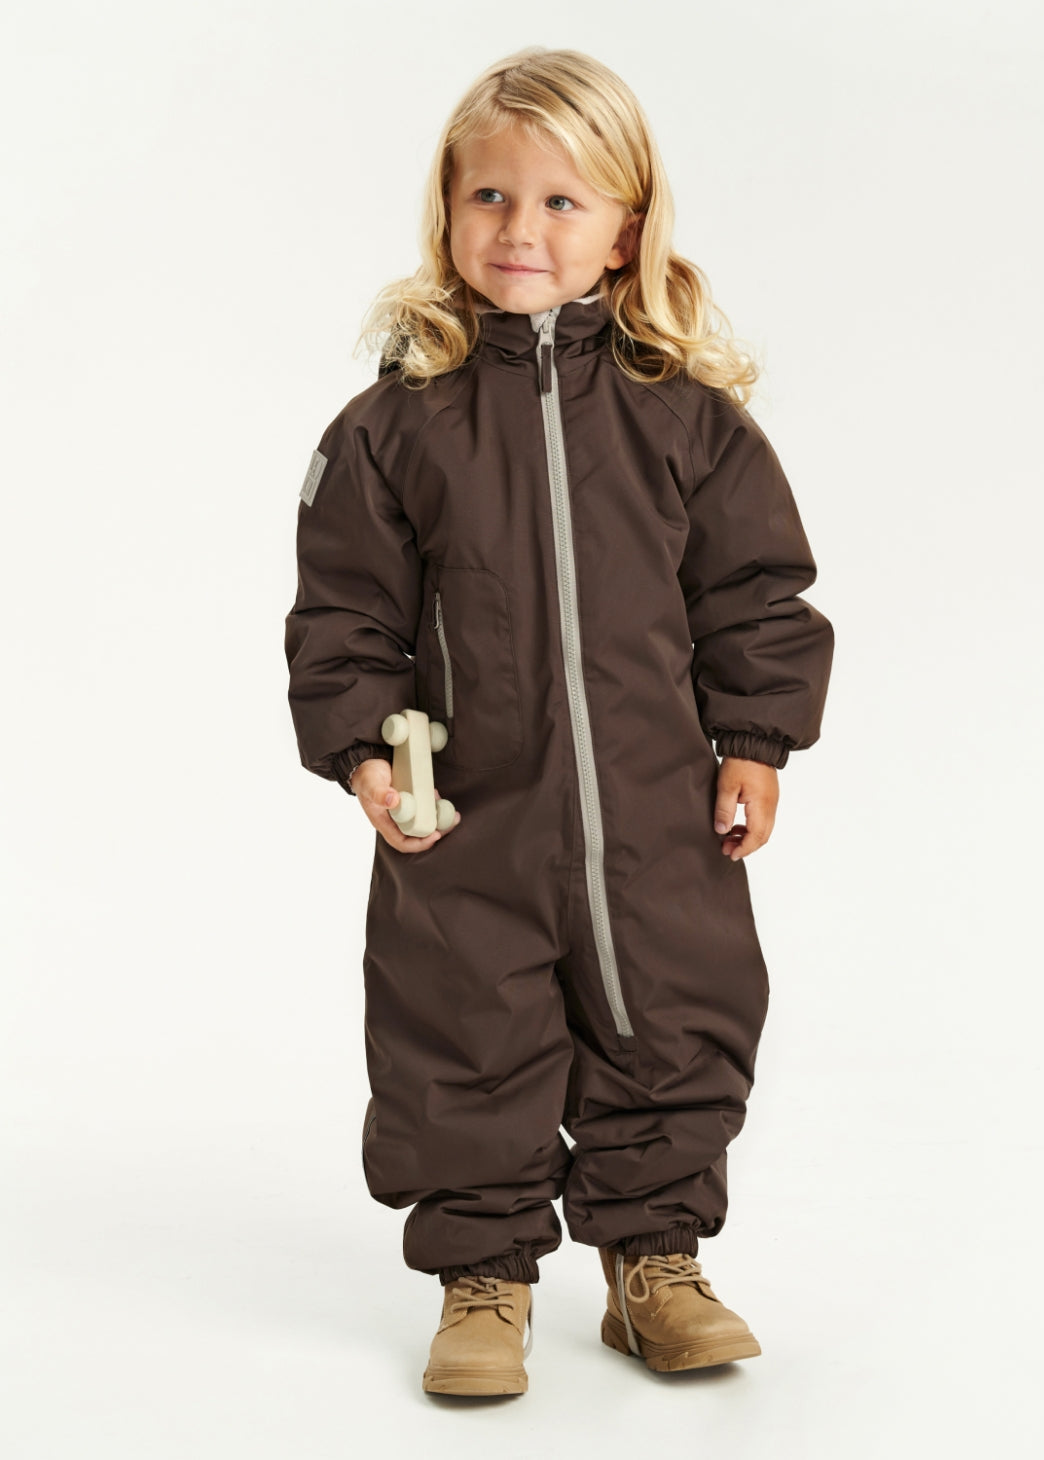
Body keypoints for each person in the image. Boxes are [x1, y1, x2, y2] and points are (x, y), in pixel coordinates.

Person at [284, 45, 834, 1397]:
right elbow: (345, 610)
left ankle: (656, 1264)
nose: (518, 229)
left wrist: (755, 741)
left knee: (677, 1015)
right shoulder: (395, 427)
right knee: (461, 1033)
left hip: (658, 815)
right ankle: (484, 1276)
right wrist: (364, 749)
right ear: (447, 209)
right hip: (466, 819)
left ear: (625, 230)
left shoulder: (685, 421)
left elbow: (755, 593)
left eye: (559, 202)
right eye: (489, 196)